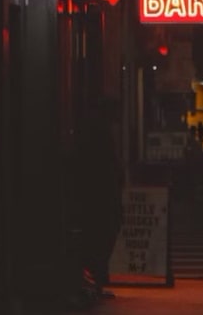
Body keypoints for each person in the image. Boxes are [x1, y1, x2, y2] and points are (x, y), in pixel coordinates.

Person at [64, 100, 125, 309]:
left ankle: (94, 282)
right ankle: (94, 281)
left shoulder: (93, 138)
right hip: (100, 200)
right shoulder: (99, 138)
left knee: (98, 239)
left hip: (98, 200)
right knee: (99, 240)